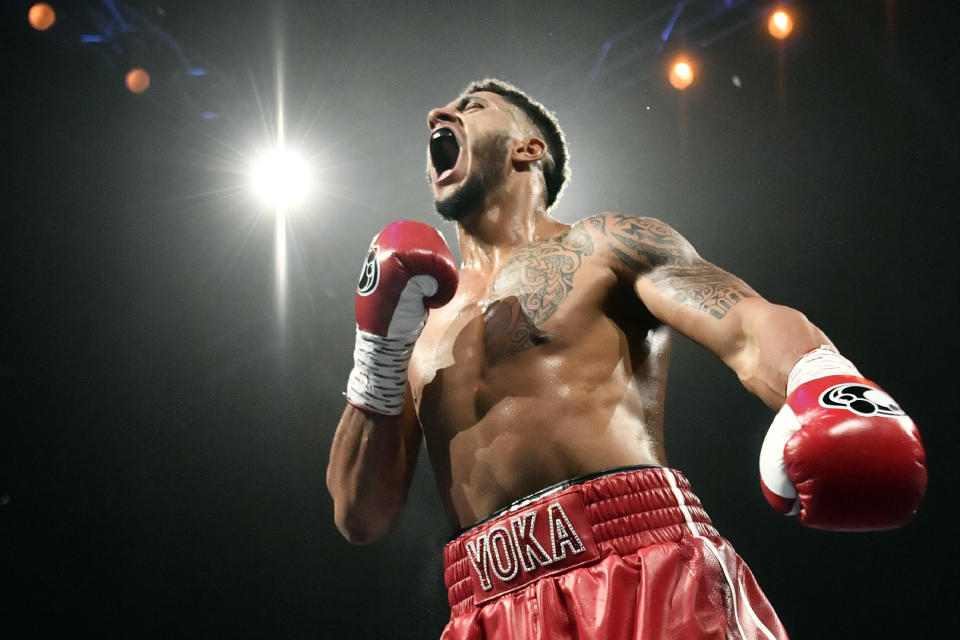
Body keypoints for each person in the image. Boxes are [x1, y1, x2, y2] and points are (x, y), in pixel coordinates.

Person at [326, 79, 927, 639]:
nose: (441, 114)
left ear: (528, 148)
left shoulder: (603, 244)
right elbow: (360, 517)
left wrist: (822, 379)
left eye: (476, 105)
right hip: (483, 610)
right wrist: (377, 349)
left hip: (640, 570)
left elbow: (743, 323)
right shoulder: (414, 322)